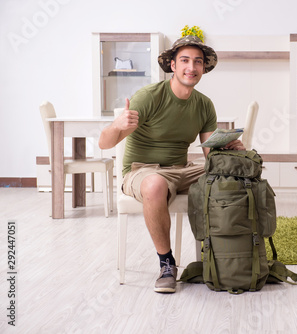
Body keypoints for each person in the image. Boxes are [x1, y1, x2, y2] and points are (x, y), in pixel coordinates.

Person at [98, 33, 245, 293]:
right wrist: (116, 125)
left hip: (181, 170)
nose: (192, 67)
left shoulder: (204, 105)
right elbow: (104, 144)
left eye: (198, 62)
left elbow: (212, 156)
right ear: (173, 66)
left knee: (229, 174)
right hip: (142, 171)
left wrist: (230, 149)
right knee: (155, 184)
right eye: (185, 60)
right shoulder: (150, 96)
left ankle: (221, 257)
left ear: (203, 68)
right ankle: (167, 264)